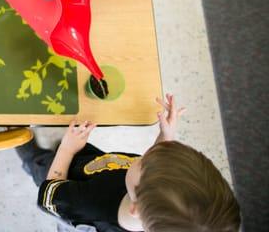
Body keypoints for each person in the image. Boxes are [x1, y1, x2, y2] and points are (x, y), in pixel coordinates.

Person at [16, 94, 241, 231]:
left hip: (64, 182)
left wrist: (66, 150)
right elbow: (160, 167)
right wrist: (166, 136)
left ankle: (22, 144)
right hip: (96, 166)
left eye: (148, 161)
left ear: (135, 207)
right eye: (165, 153)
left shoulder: (92, 205)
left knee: (39, 162)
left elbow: (49, 197)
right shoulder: (150, 197)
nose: (151, 153)